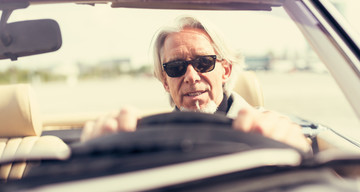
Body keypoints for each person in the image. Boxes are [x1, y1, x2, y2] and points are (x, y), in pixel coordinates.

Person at [81, 16, 311, 153]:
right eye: (176, 67)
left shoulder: (270, 129)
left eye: (203, 62)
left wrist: (295, 148)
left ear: (226, 70)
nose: (191, 76)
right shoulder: (143, 140)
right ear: (165, 81)